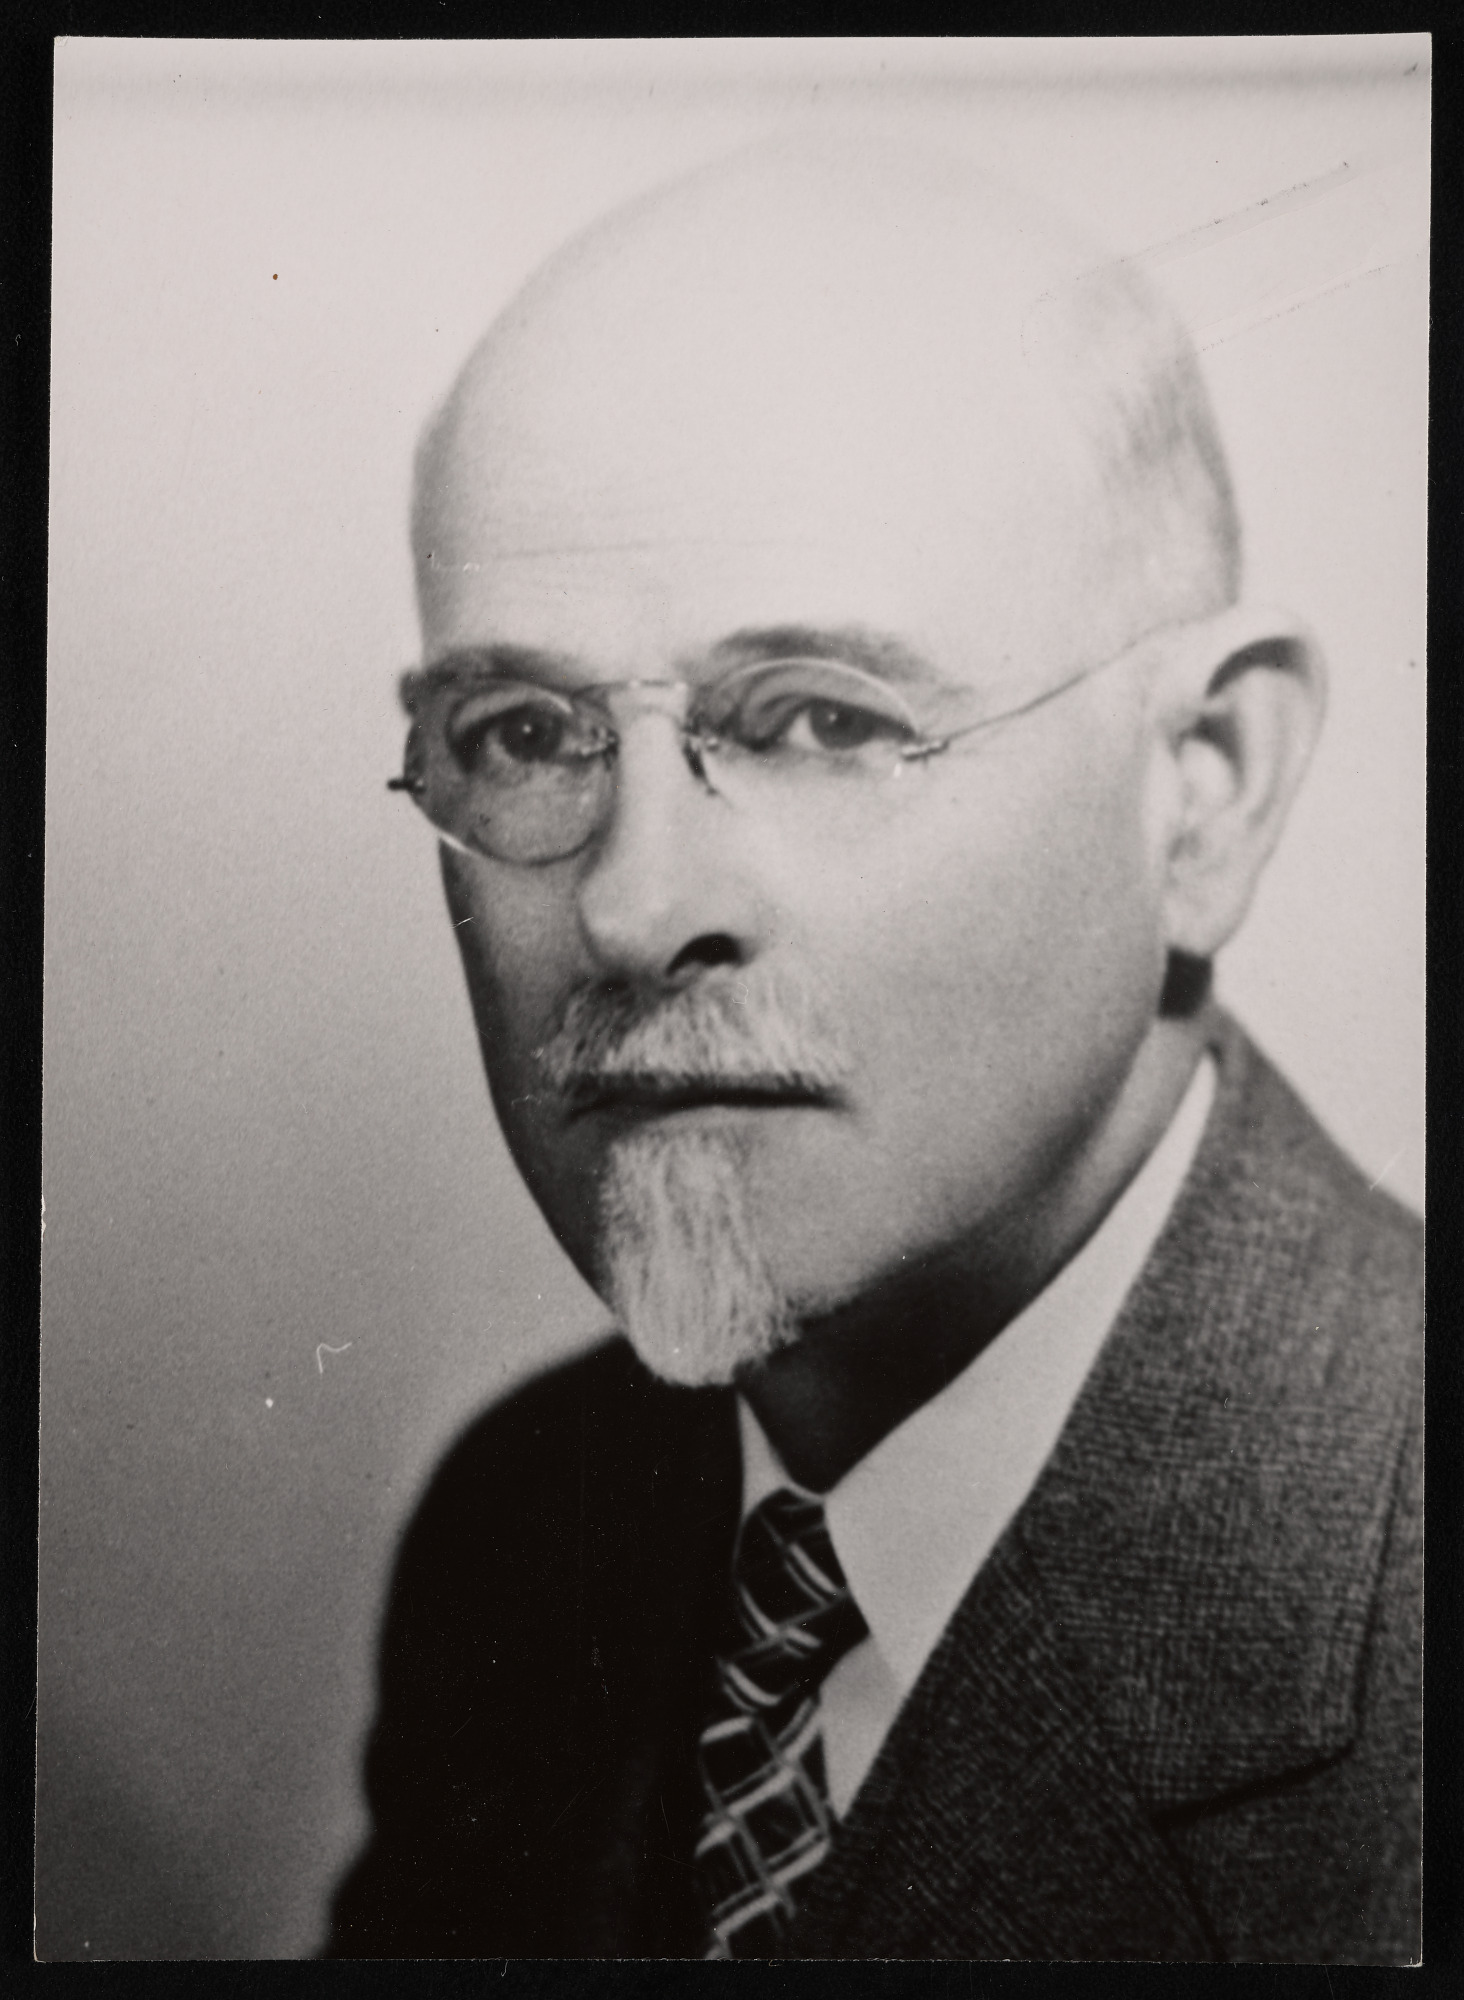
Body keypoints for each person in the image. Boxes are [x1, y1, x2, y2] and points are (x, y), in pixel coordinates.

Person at [325, 135, 1422, 1961]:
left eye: (823, 721)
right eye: (522, 732)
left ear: (1208, 788)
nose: (634, 906)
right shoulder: (532, 1524)